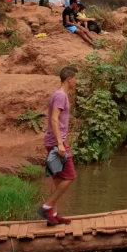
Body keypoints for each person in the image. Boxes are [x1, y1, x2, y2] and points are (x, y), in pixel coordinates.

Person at [41, 66, 78, 226]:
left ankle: (53, 215)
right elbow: (54, 119)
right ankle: (47, 206)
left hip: (54, 141)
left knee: (57, 179)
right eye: (76, 78)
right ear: (69, 79)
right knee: (70, 176)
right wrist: (60, 144)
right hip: (58, 142)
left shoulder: (59, 94)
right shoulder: (61, 96)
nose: (77, 81)